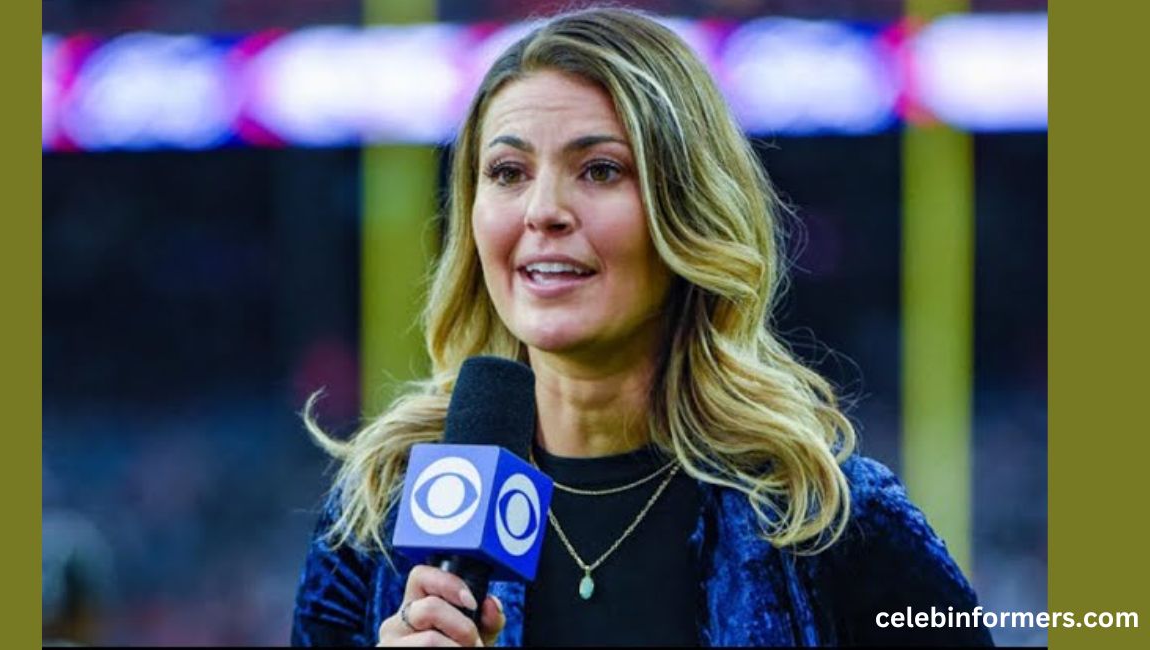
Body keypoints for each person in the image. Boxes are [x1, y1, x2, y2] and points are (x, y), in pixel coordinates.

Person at [291, 7, 993, 647]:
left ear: (686, 209)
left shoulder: (827, 521)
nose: (543, 211)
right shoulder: (377, 519)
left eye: (599, 170)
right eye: (506, 171)